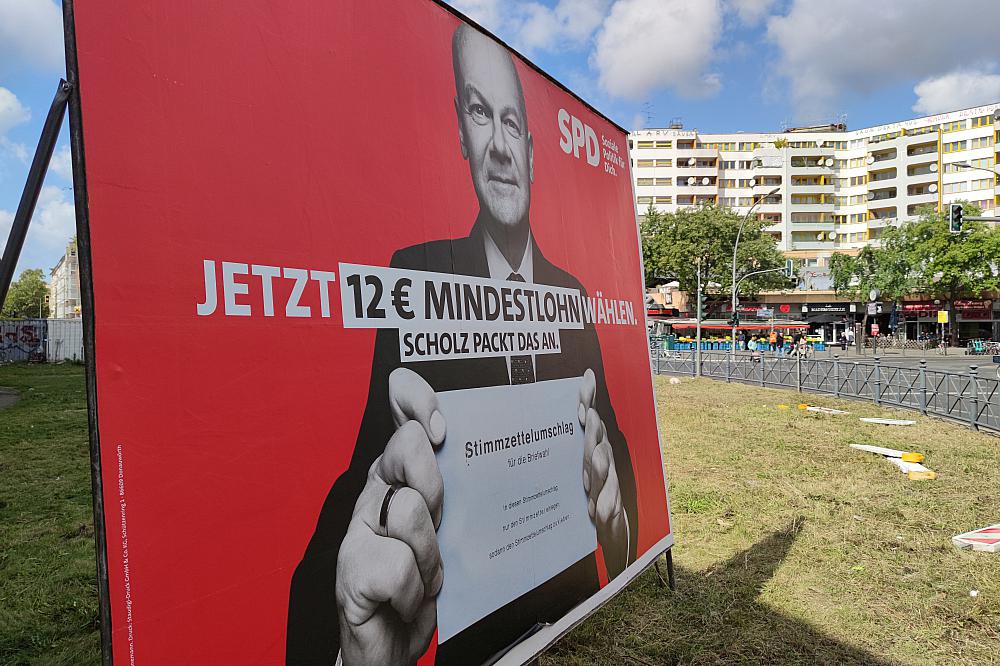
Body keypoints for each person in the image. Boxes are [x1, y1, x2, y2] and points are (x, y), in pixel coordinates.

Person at [285, 24, 637, 666]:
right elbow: (363, 490)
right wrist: (346, 647)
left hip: (571, 608)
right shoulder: (416, 279)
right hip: (471, 636)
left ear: (531, 148)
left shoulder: (573, 297)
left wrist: (616, 525)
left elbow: (615, 459)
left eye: (511, 123)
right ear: (460, 131)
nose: (500, 147)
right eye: (480, 113)